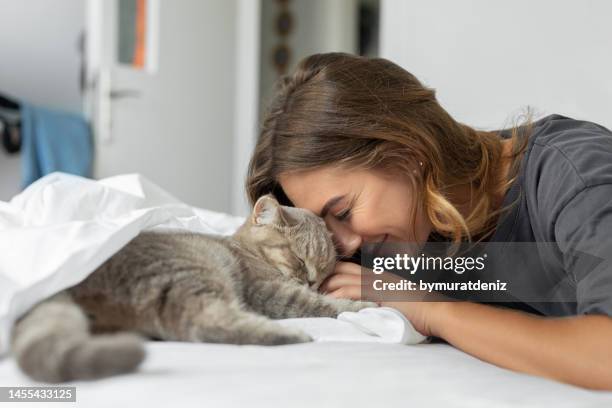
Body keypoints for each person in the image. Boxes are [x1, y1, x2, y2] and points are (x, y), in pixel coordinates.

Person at [245, 52, 612, 390]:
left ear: (407, 152)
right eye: (327, 227)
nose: (350, 244)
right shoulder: (393, 238)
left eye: (343, 212)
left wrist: (429, 309)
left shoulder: (576, 177)